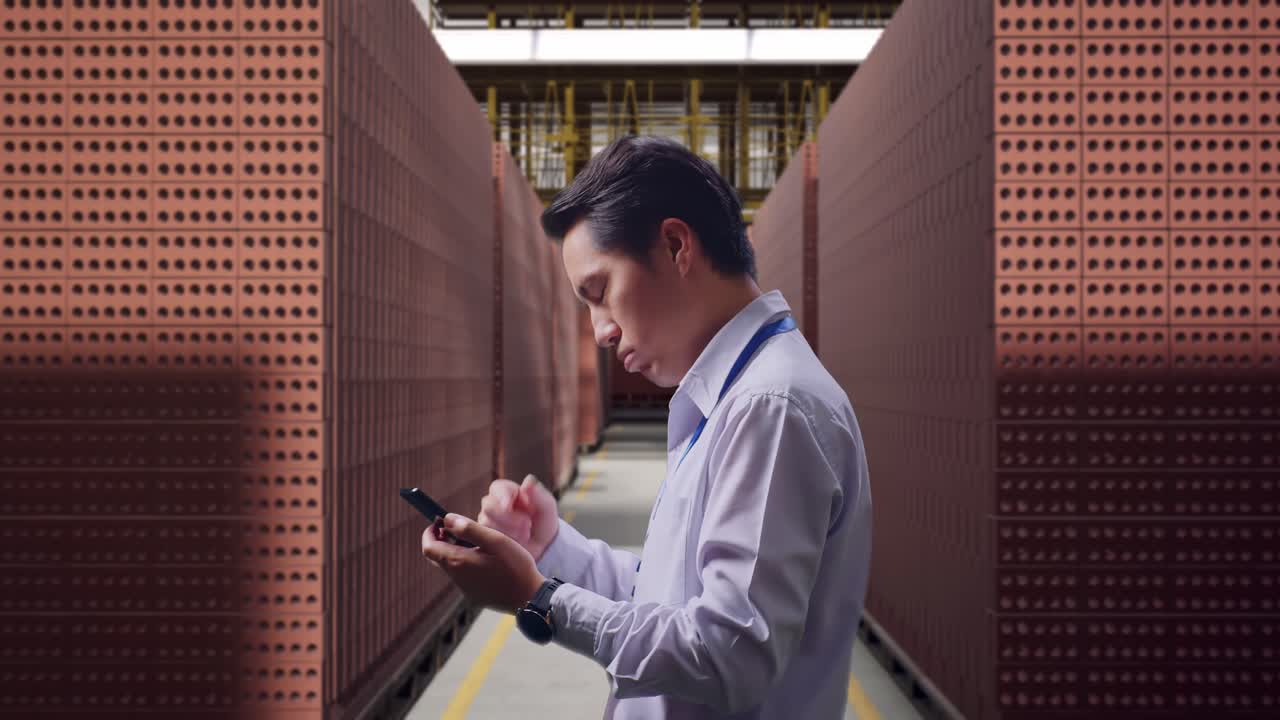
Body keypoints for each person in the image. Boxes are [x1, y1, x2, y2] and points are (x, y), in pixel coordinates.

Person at [419, 135, 872, 719]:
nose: (600, 331)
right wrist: (552, 552)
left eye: (600, 292)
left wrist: (538, 600)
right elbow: (675, 598)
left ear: (676, 245)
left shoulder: (770, 406)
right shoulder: (735, 397)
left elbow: (727, 655)